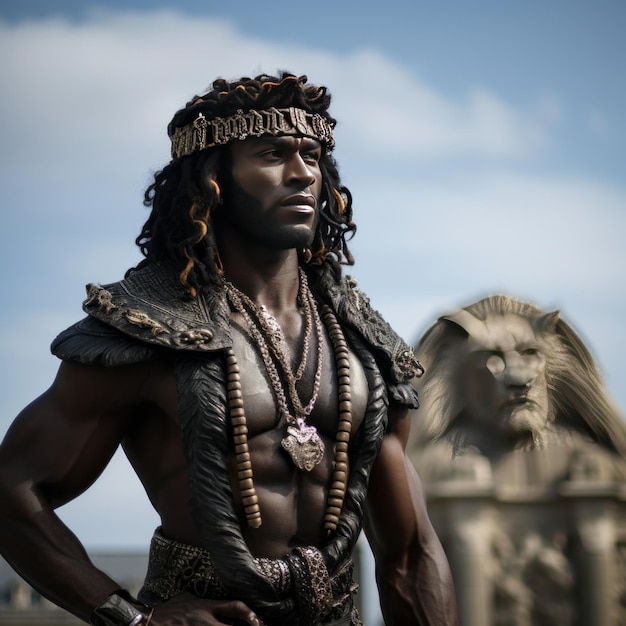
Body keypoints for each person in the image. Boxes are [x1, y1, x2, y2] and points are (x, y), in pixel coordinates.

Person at [0, 72, 457, 626]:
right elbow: (12, 493)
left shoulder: (363, 343)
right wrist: (136, 620)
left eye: (311, 156)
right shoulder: (147, 325)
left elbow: (409, 554)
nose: (300, 174)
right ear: (212, 180)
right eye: (270, 154)